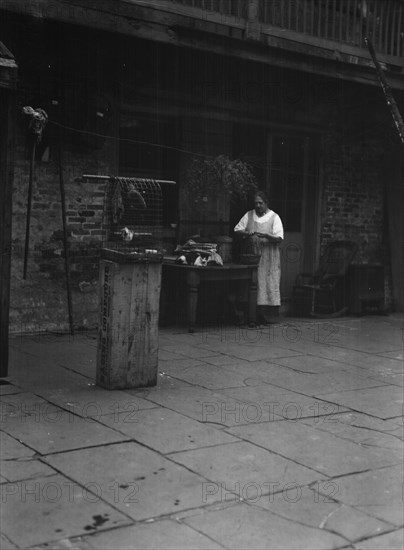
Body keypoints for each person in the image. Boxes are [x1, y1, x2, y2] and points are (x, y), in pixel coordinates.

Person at [234, 190, 284, 325]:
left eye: (260, 203)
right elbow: (237, 230)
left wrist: (267, 236)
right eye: (256, 203)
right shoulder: (249, 215)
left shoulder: (274, 217)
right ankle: (250, 315)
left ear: (266, 203)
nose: (258, 205)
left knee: (266, 284)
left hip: (269, 257)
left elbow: (279, 238)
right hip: (252, 255)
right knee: (252, 283)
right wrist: (246, 232)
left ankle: (266, 316)